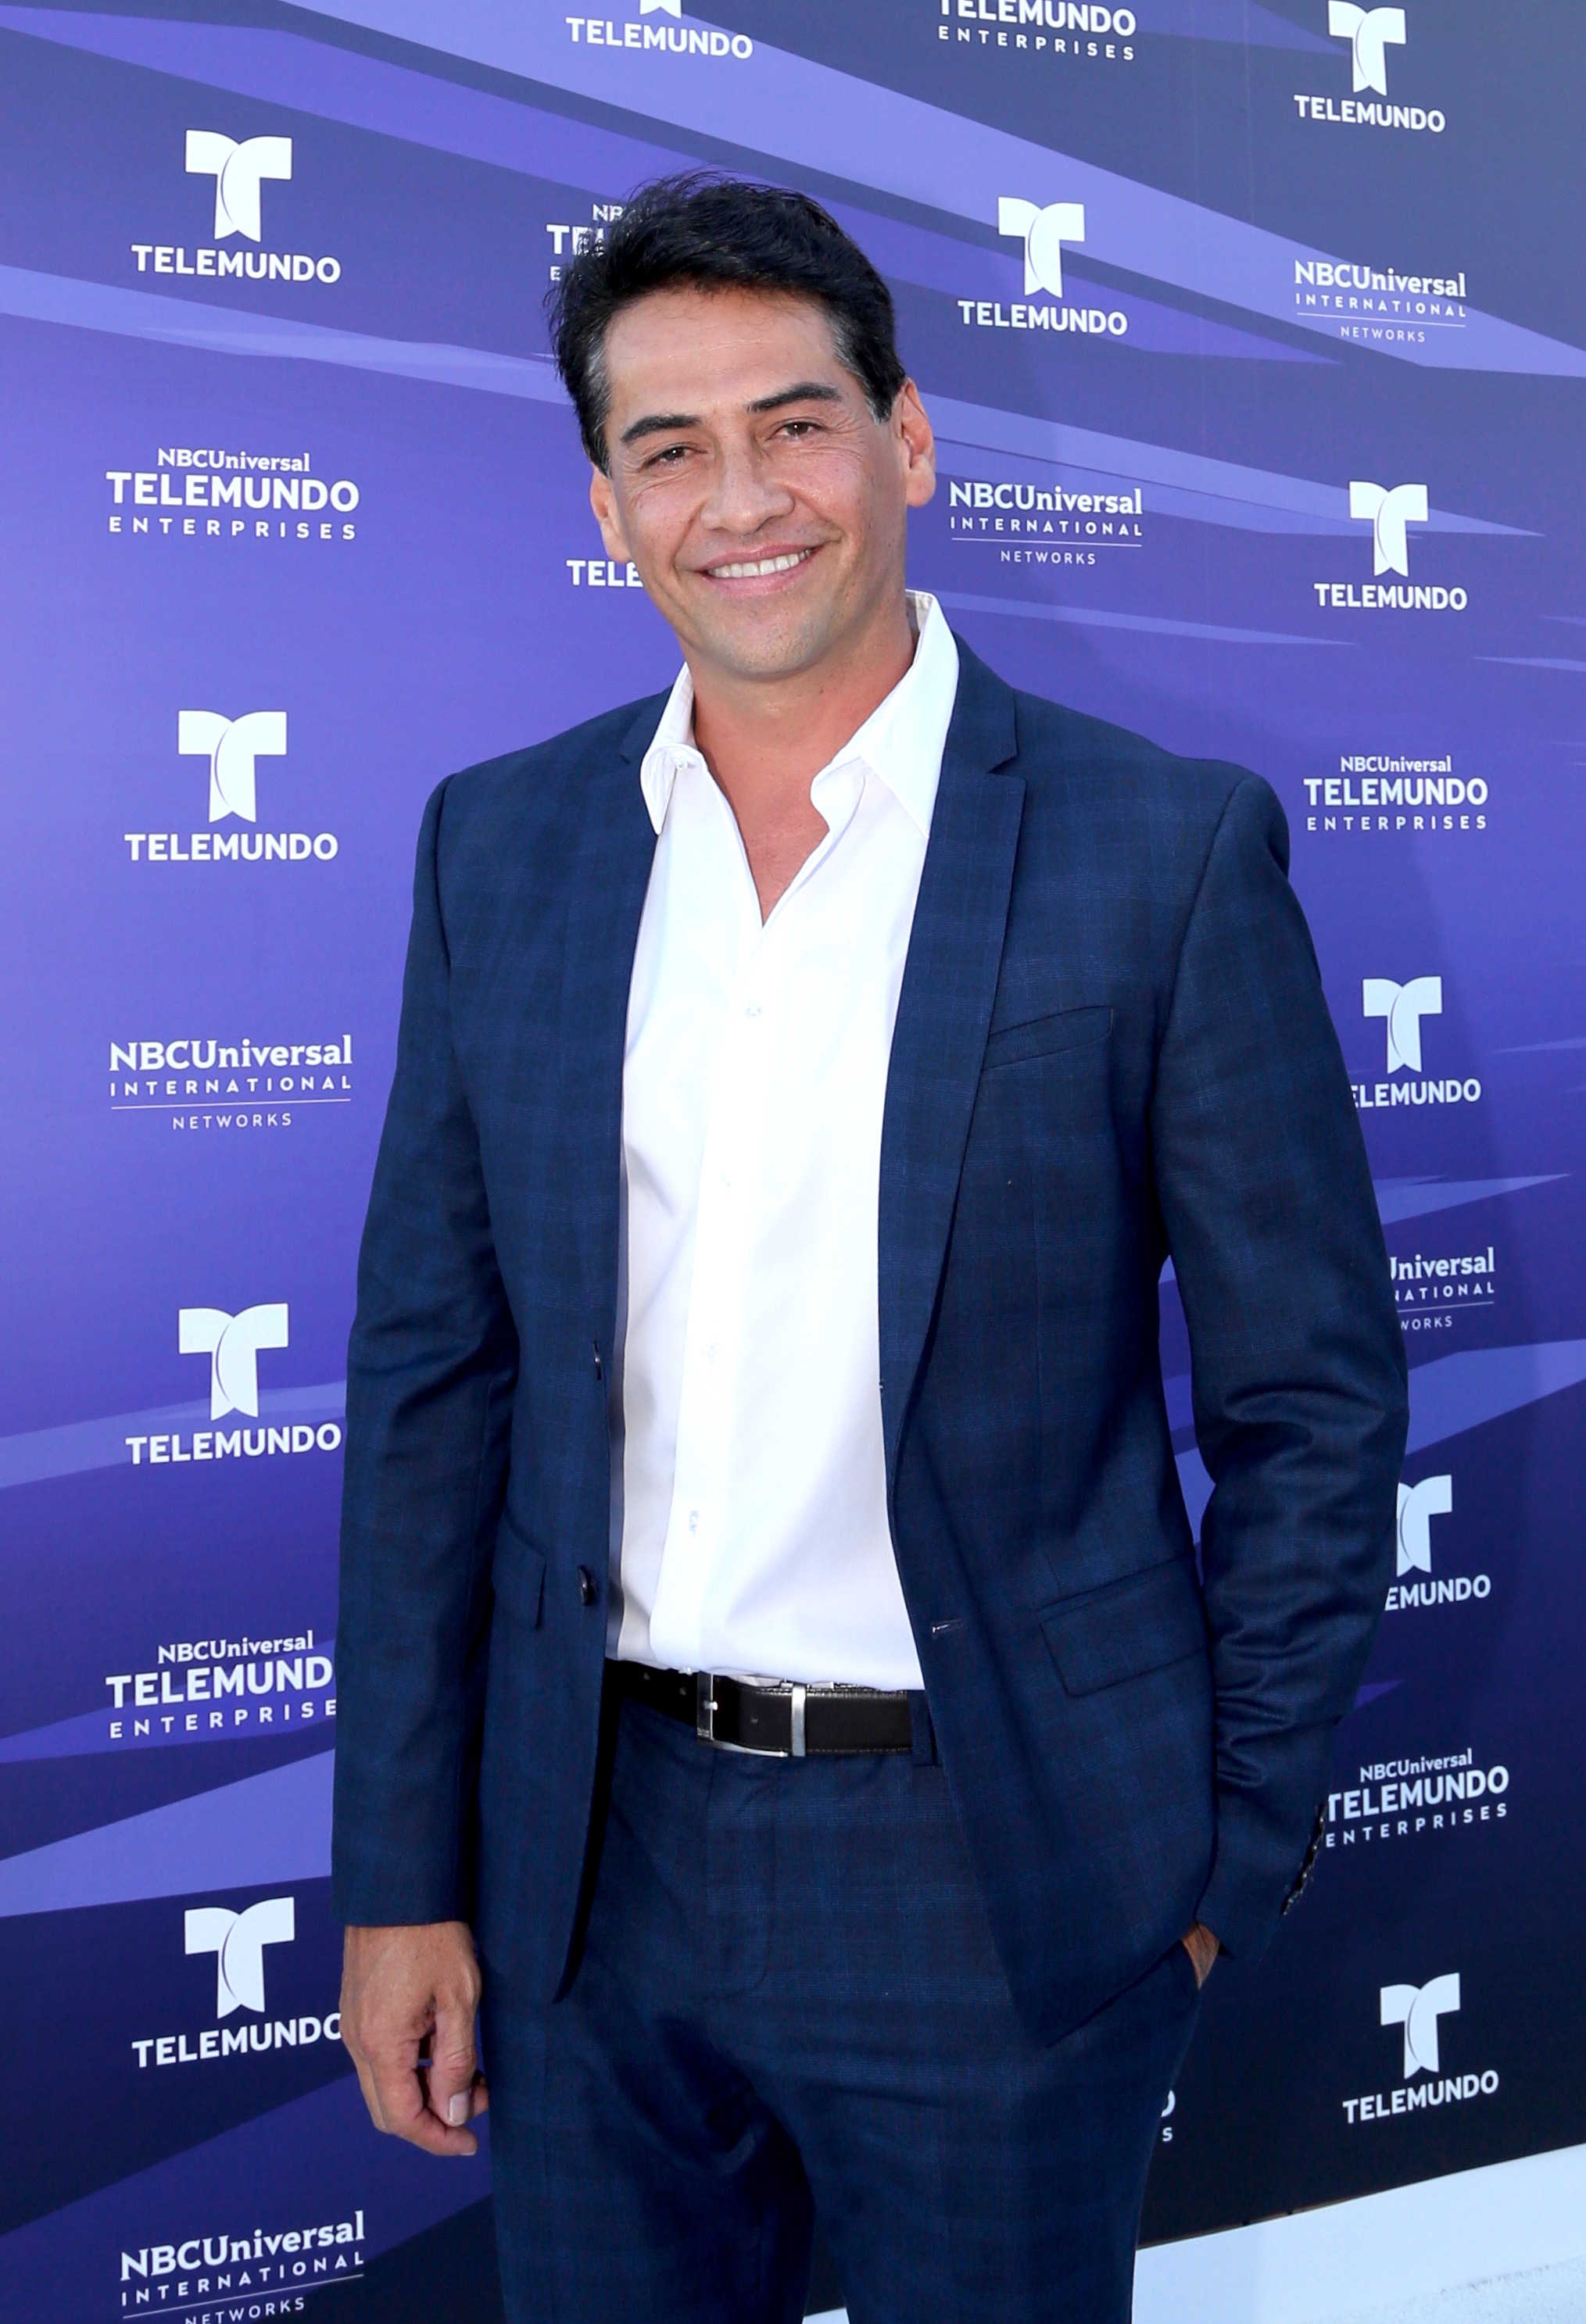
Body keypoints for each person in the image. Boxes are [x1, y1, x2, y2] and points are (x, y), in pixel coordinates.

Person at [332, 175, 1407, 2324]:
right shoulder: (503, 844)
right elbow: (431, 1386)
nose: (745, 496)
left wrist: (1210, 1863)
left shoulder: (1159, 849)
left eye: (797, 423)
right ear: (609, 510)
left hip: (996, 1862)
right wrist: (401, 1880)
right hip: (581, 1865)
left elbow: (1312, 1400)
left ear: (908, 441)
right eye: (672, 448)